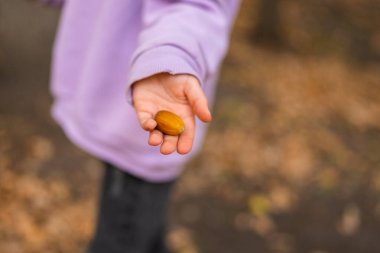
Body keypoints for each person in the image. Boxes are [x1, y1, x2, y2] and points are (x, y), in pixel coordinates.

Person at [40, 0, 241, 252]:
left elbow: (198, 8)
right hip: (111, 99)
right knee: (145, 236)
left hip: (138, 125)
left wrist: (172, 57)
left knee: (123, 236)